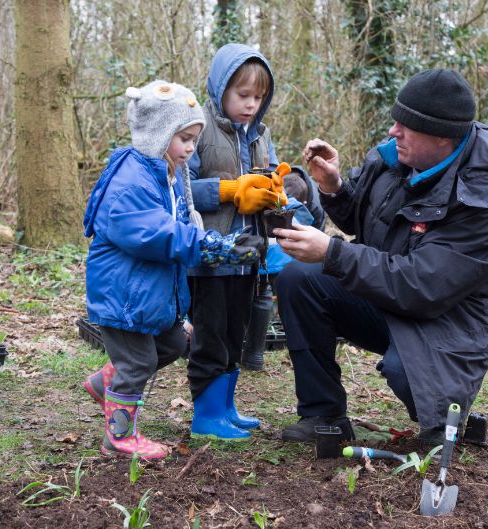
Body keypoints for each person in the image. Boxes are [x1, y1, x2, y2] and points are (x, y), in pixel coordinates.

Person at [273, 68, 488, 445]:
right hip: (392, 293)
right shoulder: (403, 154)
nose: (394, 131)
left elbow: (422, 286)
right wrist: (334, 186)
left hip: (451, 318)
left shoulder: (486, 196)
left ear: (443, 137)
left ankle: (448, 420)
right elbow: (364, 219)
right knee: (300, 278)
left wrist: (333, 251)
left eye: (406, 127)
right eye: (396, 121)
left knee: (403, 369)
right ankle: (322, 416)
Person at [82, 80, 263, 459]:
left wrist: (219, 245)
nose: (191, 148)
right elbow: (159, 234)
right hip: (124, 295)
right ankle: (119, 438)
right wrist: (211, 246)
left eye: (195, 138)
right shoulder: (131, 180)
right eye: (183, 138)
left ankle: (107, 382)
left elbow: (184, 222)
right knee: (138, 361)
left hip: (149, 293)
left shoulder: (166, 174)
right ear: (158, 133)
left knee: (172, 343)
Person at [186, 43, 287, 441]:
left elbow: (273, 178)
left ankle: (226, 407)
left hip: (248, 257)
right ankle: (206, 415)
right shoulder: (200, 128)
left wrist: (277, 191)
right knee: (211, 336)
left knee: (235, 333)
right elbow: (182, 189)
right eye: (242, 95)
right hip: (209, 258)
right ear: (221, 88)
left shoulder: (260, 136)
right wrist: (229, 190)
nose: (250, 104)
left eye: (258, 97)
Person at [241, 167, 326, 371]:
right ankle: (300, 350)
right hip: (290, 263)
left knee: (260, 298)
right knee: (289, 306)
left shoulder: (269, 201)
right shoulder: (302, 211)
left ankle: (252, 354)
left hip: (266, 261)